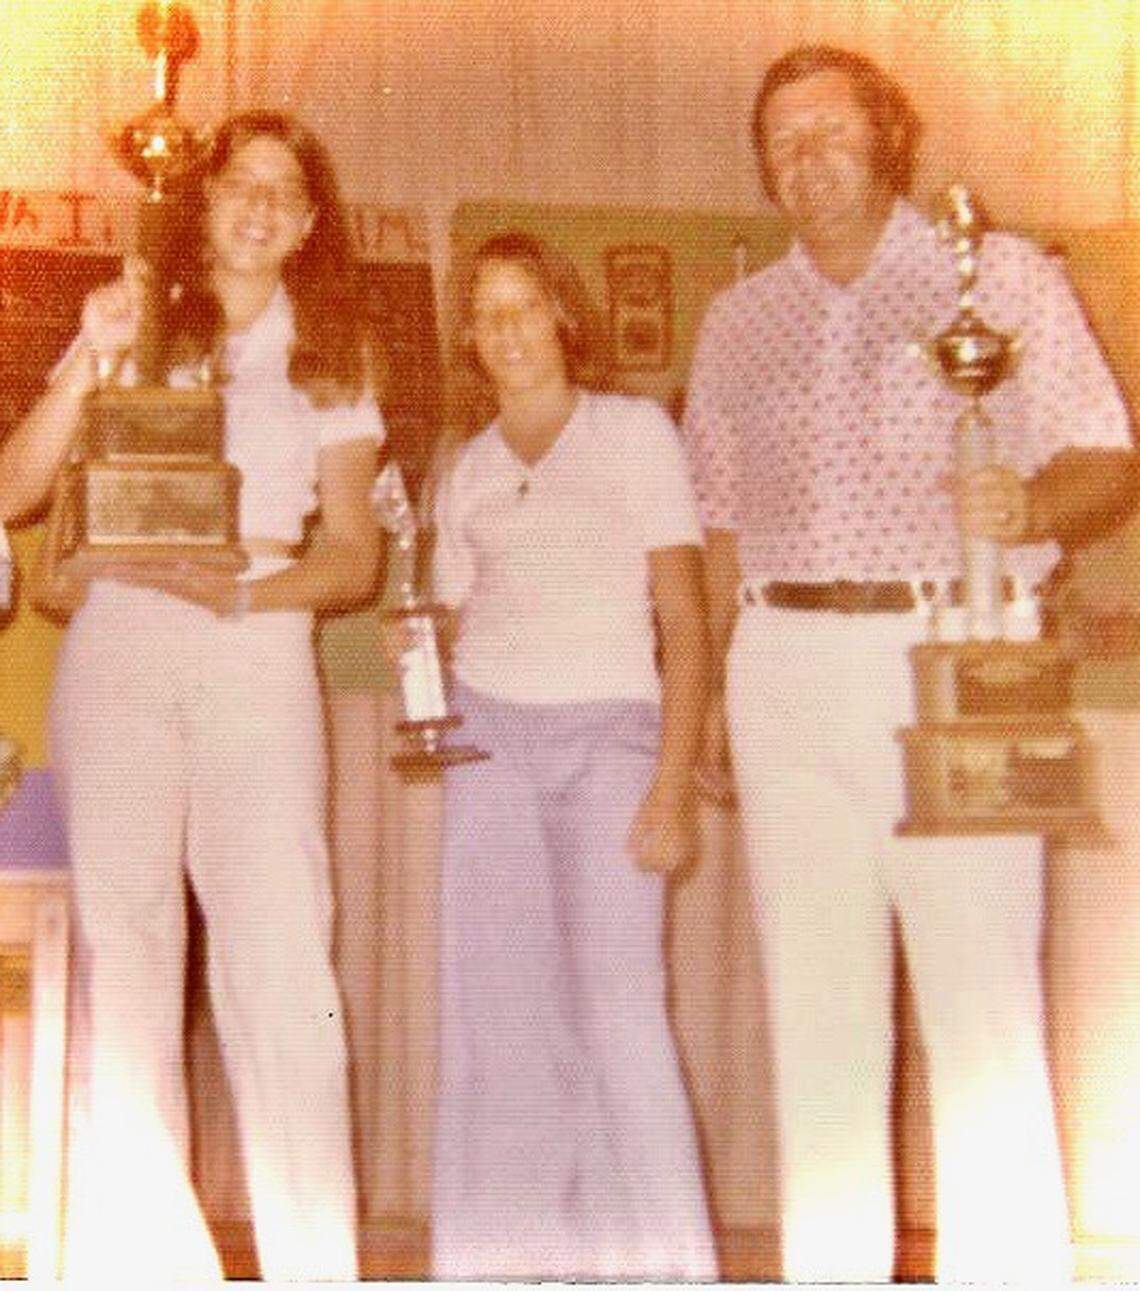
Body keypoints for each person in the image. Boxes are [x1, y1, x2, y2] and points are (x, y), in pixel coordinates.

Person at [683, 44, 1135, 1284]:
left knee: (982, 1014)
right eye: (782, 141)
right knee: (818, 1024)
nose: (807, 158)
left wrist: (1030, 506)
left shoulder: (1002, 274)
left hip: (955, 658)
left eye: (831, 130)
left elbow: (1106, 457)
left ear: (889, 138)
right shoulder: (737, 320)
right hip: (782, 665)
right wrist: (713, 691)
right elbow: (720, 526)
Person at [4, 110, 380, 1281]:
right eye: (238, 183)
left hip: (255, 644)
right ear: (202, 200)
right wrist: (92, 350)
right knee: (124, 957)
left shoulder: (333, 354)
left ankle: (315, 1263)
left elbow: (355, 557)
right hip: (119, 644)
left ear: (309, 223)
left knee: (283, 964)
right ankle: (149, 1263)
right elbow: (14, 491)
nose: (258, 206)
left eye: (284, 190)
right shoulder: (137, 320)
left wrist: (244, 597)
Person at [428, 231, 717, 1281]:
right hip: (489, 744)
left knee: (620, 1010)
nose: (506, 329)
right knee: (501, 1013)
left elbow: (684, 624)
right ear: (469, 336)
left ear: (562, 315)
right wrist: (425, 691)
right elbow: (447, 626)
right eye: (485, 313)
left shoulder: (635, 432)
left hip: (612, 743)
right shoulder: (464, 467)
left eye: (524, 305)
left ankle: (664, 1266)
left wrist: (671, 786)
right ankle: (505, 1263)